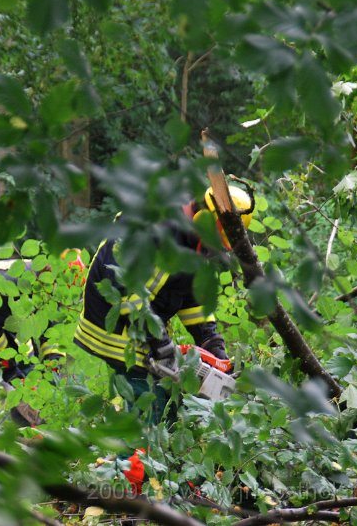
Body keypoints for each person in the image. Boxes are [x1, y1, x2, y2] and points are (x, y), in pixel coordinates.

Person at [73, 185, 254, 492]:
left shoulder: (194, 241)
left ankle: (158, 477)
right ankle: (128, 490)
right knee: (145, 407)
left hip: (142, 320)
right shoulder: (163, 236)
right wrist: (162, 345)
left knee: (167, 402)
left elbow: (191, 297)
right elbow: (135, 300)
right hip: (115, 325)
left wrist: (213, 346)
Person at [0, 254, 85, 444]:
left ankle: (31, 430)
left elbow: (50, 331)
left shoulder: (48, 292)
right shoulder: (15, 285)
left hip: (7, 321)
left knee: (28, 371)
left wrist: (52, 366)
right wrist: (8, 366)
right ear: (51, 275)